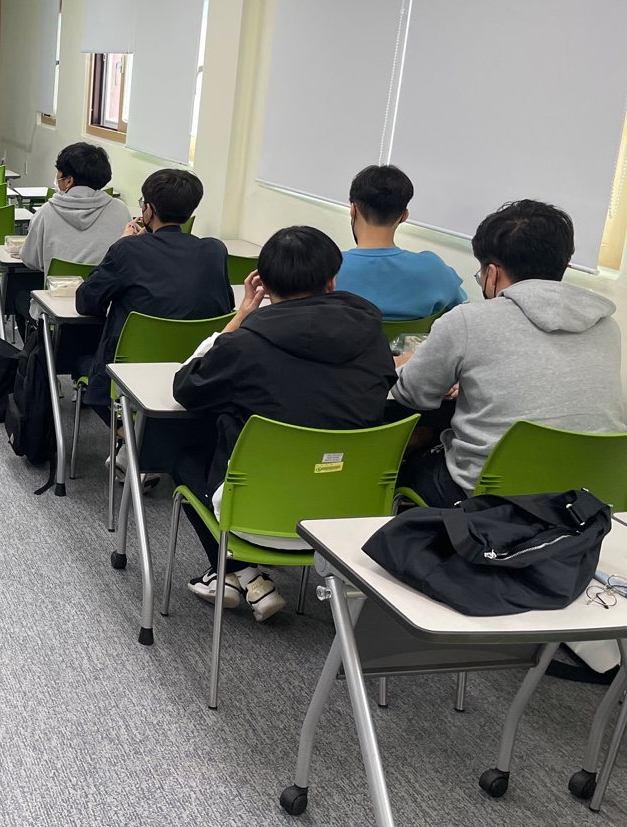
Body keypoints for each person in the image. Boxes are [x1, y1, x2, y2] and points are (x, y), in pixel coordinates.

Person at [172, 225, 396, 620]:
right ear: (332, 280)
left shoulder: (245, 344)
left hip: (254, 517)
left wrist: (242, 314)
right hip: (349, 514)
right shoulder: (372, 334)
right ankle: (238, 575)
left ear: (264, 283)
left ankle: (233, 570)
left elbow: (186, 387)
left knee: (183, 452)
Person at [396, 200, 625, 508]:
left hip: (489, 497)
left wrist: (409, 365)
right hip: (587, 496)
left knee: (404, 464)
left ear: (492, 273)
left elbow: (413, 395)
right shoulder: (606, 326)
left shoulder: (466, 321)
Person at [75, 169, 233, 418]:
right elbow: (225, 306)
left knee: (82, 366)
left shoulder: (128, 250)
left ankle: (126, 433)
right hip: (197, 370)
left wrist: (123, 243)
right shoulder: (215, 250)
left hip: (132, 371)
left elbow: (86, 302)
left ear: (149, 210)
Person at [8, 143, 130, 337]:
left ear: (69, 180)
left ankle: (41, 351)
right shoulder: (121, 210)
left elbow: (31, 260)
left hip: (56, 312)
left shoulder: (45, 213)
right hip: (106, 312)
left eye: (59, 174)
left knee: (19, 296)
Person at [334, 164, 467, 320]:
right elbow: (462, 312)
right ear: (404, 216)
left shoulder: (329, 270)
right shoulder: (435, 270)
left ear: (353, 209)